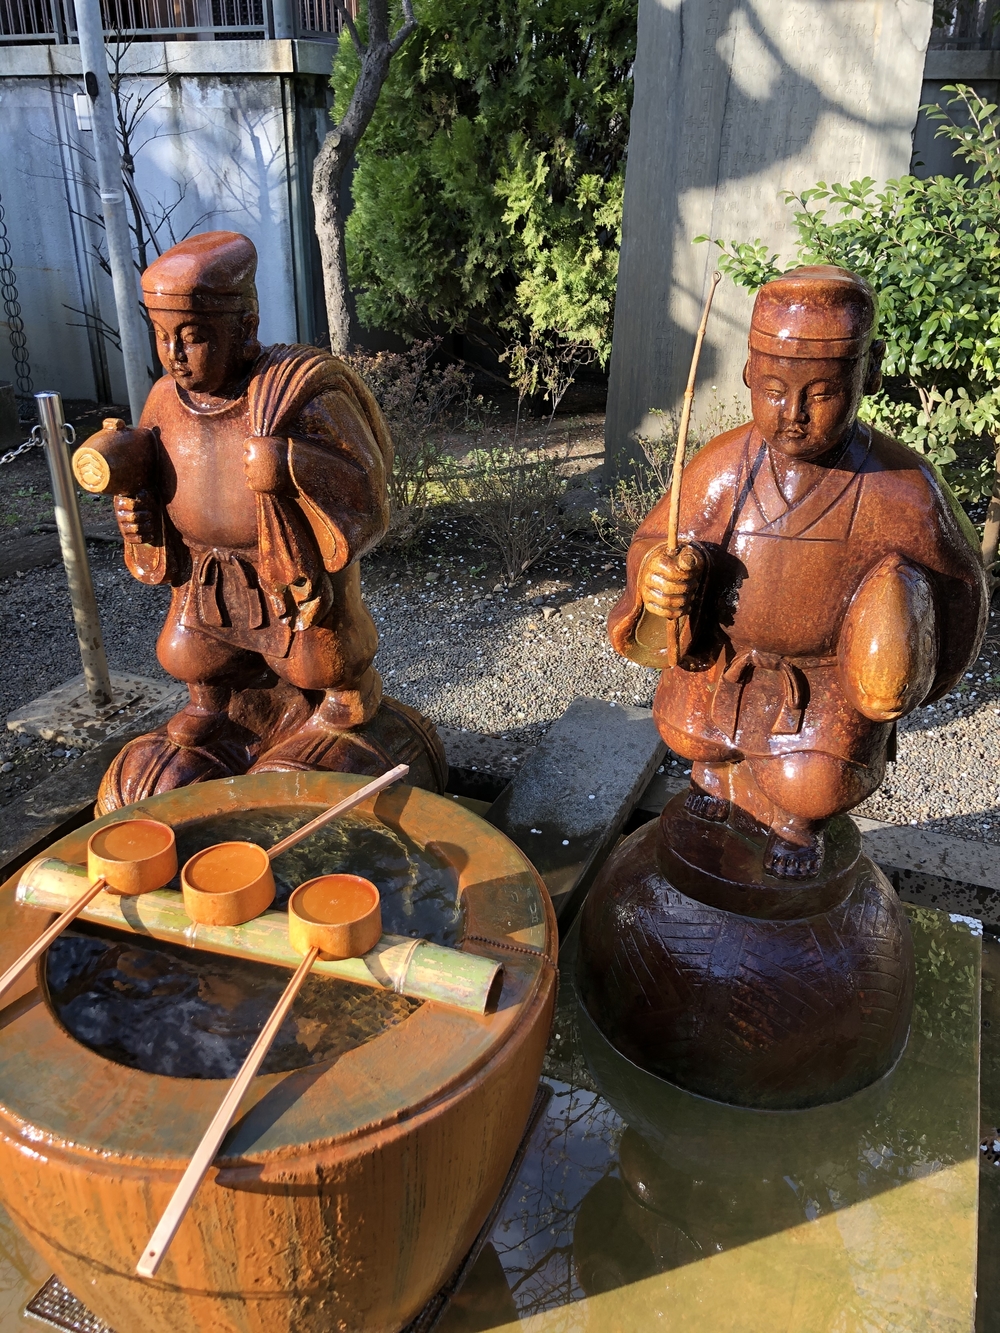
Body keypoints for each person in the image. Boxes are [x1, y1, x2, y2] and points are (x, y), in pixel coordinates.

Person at [609, 265, 987, 878]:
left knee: (814, 783)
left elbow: (959, 587)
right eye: (775, 390)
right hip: (726, 665)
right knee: (687, 732)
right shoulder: (725, 465)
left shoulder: (901, 489)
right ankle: (716, 783)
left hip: (822, 687)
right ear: (748, 375)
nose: (793, 414)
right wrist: (662, 574)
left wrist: (896, 661)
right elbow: (658, 538)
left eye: (821, 393)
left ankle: (795, 826)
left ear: (870, 372)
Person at [91, 230, 444, 807]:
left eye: (193, 337)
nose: (174, 355)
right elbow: (150, 487)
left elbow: (365, 491)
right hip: (206, 576)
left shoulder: (295, 394)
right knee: (187, 653)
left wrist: (290, 460)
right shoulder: (162, 401)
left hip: (289, 580)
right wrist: (135, 500)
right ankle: (212, 703)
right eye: (161, 337)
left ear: (244, 328)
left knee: (316, 660)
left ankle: (345, 703)